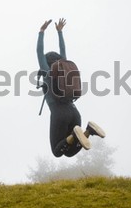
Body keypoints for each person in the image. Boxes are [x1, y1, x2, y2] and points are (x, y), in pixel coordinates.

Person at [36, 18, 106, 157]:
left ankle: (82, 132)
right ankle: (88, 131)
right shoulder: (64, 68)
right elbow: (63, 50)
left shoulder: (47, 72)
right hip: (74, 112)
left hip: (59, 114)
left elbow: (39, 52)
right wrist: (60, 32)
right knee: (70, 149)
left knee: (58, 151)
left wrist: (41, 32)